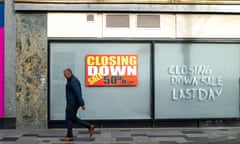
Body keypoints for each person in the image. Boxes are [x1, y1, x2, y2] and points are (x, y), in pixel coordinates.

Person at [61, 68, 95, 141]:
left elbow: (78, 93)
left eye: (65, 74)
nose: (65, 76)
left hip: (72, 103)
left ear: (69, 73)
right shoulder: (70, 80)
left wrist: (82, 104)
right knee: (72, 118)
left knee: (69, 118)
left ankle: (69, 136)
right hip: (72, 102)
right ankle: (89, 126)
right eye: (64, 75)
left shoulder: (73, 81)